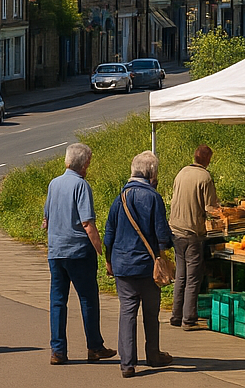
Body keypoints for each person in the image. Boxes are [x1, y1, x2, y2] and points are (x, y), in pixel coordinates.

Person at [103, 150, 174, 378]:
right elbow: (162, 235)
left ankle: (127, 364)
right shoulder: (153, 198)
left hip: (122, 264)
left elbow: (109, 234)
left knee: (127, 312)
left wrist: (108, 260)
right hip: (147, 266)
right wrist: (165, 252)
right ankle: (153, 355)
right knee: (151, 313)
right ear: (151, 173)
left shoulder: (120, 198)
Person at [42, 143, 115, 364]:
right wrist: (100, 250)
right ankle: (94, 347)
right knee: (88, 299)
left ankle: (58, 351)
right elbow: (87, 223)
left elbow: (46, 220)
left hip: (56, 251)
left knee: (57, 301)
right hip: (78, 252)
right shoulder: (81, 185)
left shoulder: (54, 184)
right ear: (84, 164)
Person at [168, 144, 218, 330]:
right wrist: (222, 213)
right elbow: (210, 208)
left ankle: (176, 315)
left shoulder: (182, 173)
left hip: (176, 230)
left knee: (180, 275)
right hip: (192, 232)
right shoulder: (205, 177)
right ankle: (188, 319)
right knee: (193, 277)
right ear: (207, 159)